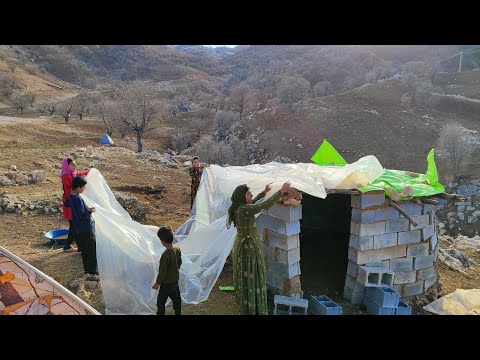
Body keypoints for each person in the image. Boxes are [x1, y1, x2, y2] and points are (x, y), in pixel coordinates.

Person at [227, 181, 291, 315]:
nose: (251, 196)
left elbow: (253, 204)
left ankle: (248, 304)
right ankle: (252, 308)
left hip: (243, 246)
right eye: (249, 194)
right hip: (248, 249)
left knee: (246, 276)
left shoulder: (241, 207)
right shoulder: (243, 209)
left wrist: (263, 192)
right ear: (241, 196)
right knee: (251, 275)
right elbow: (263, 206)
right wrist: (281, 191)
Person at [64, 176, 99, 282]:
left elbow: (67, 204)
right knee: (92, 250)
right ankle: (92, 273)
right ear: (78, 188)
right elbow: (81, 215)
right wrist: (89, 211)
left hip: (78, 229)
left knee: (84, 251)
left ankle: (87, 271)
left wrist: (85, 209)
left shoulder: (71, 196)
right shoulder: (78, 199)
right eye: (83, 187)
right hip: (86, 229)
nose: (84, 189)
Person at [60, 158, 89, 253]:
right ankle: (68, 246)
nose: (74, 166)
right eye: (72, 165)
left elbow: (77, 175)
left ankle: (77, 247)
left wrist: (88, 172)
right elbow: (75, 181)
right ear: (66, 166)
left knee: (74, 225)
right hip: (70, 204)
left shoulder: (71, 174)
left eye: (75, 165)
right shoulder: (66, 177)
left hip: (72, 202)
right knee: (73, 225)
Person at [152, 226, 182, 315]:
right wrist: (175, 270)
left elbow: (162, 272)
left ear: (162, 241)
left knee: (160, 302)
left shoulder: (165, 255)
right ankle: (178, 312)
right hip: (175, 282)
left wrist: (157, 283)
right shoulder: (177, 249)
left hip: (166, 284)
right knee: (177, 300)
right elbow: (180, 262)